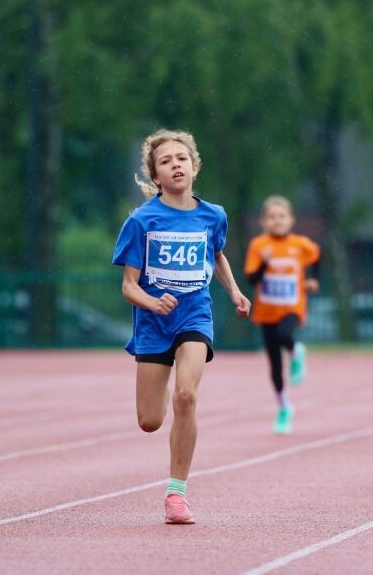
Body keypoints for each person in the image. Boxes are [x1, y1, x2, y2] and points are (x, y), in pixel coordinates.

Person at [112, 129, 251, 525]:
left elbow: (217, 255)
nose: (175, 165)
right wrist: (153, 302)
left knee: (186, 397)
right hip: (154, 324)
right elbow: (128, 286)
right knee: (149, 421)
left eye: (181, 158)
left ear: (194, 167)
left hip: (194, 316)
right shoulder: (142, 221)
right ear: (155, 175)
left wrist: (234, 291)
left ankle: (176, 495)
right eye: (165, 161)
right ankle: (160, 389)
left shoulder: (213, 215)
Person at [244, 196, 320, 434]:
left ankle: (296, 352)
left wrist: (313, 279)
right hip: (266, 310)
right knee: (275, 364)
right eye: (272, 217)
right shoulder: (259, 246)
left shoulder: (300, 245)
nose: (277, 221)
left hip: (292, 307)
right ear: (263, 222)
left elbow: (317, 257)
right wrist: (265, 264)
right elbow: (251, 279)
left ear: (291, 220)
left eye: (281, 216)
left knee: (284, 334)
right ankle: (284, 406)